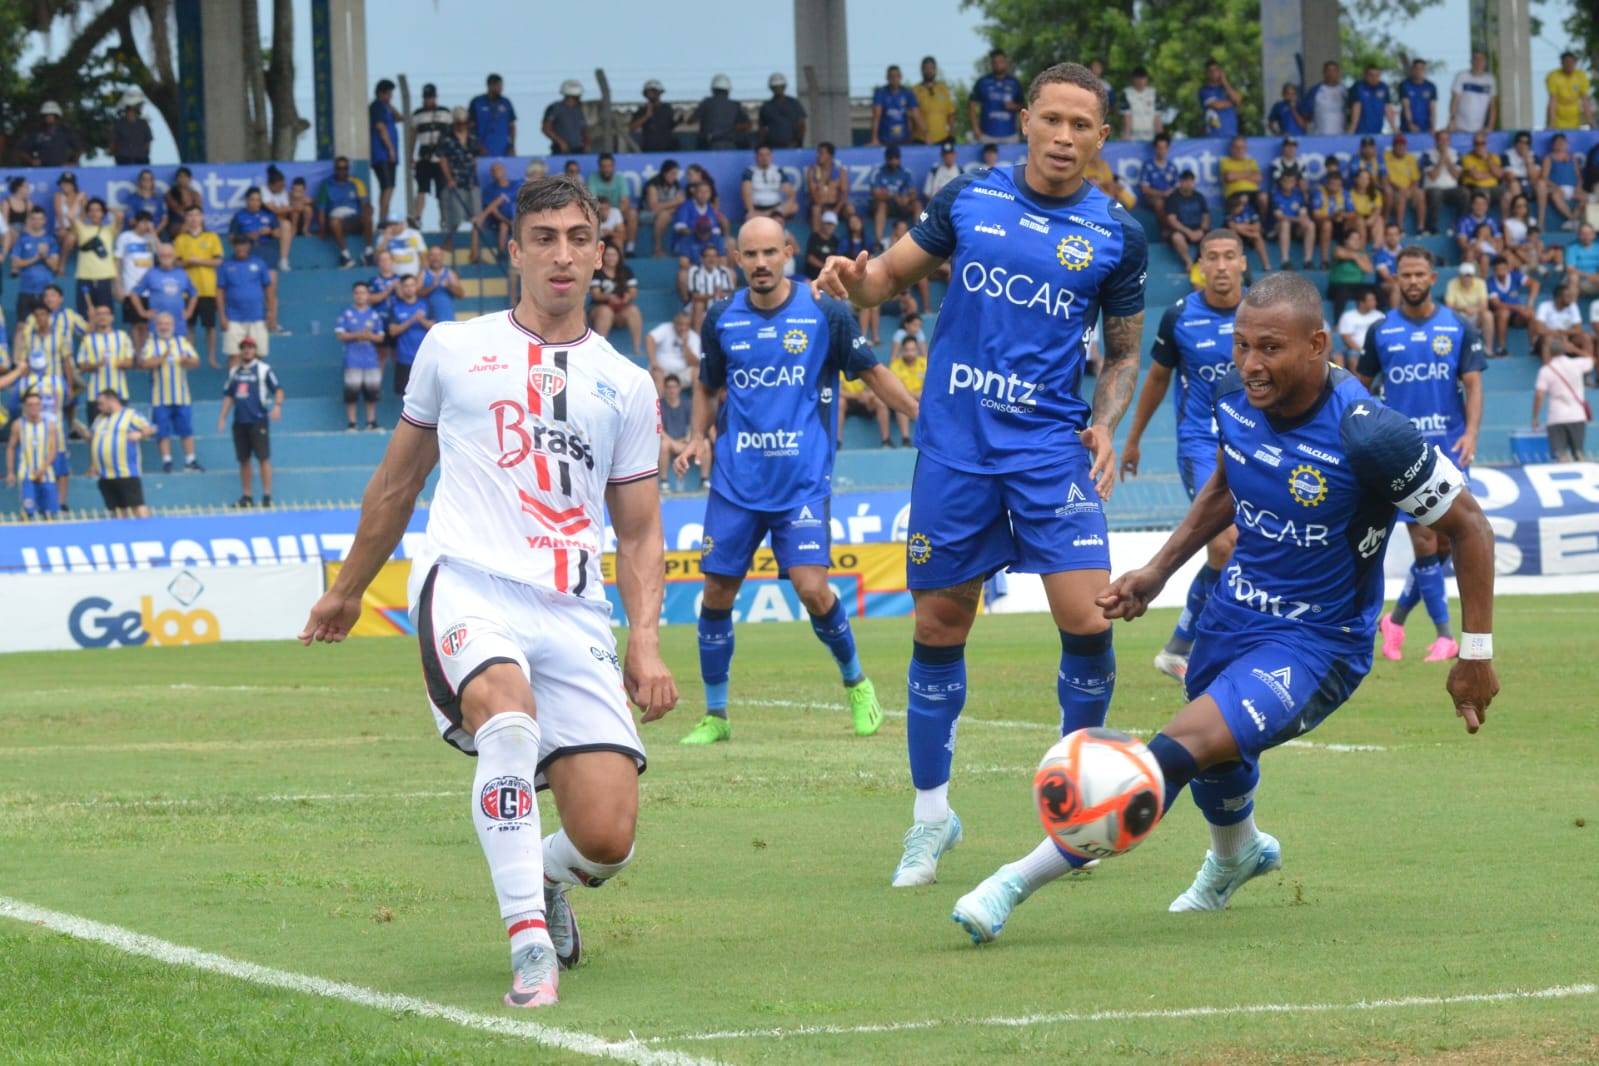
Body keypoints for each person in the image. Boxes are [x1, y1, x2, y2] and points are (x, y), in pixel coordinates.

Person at [299, 175, 678, 1011]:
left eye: (579, 237)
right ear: (513, 252)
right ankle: (528, 948)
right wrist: (347, 590)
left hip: (573, 608)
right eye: (543, 237)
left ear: (600, 253)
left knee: (607, 839)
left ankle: (546, 881)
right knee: (506, 719)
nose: (562, 253)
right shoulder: (452, 348)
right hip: (468, 581)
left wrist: (645, 640)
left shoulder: (627, 383)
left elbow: (641, 529)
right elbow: (397, 485)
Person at [1069, 273, 1498, 939]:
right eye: (1240, 346)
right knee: (1213, 742)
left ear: (1316, 345)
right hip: (1235, 615)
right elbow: (1223, 485)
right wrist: (1155, 570)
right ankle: (1235, 854)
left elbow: (1470, 525)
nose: (1248, 363)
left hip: (1316, 638)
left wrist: (1475, 651)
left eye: (1267, 347)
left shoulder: (1366, 430)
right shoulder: (1233, 400)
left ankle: (1024, 875)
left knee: (1196, 739)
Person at [815, 62, 1148, 896]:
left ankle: (1076, 808)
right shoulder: (967, 199)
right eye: (1052, 120)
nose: (1064, 137)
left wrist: (1103, 421)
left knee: (1088, 617)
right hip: (956, 445)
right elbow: (886, 278)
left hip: (1045, 450)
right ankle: (931, 817)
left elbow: (1122, 350)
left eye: (1082, 124)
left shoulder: (1115, 234)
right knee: (937, 625)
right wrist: (852, 282)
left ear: (1100, 137)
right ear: (1025, 120)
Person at [673, 216, 915, 746]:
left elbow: (871, 371)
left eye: (769, 253)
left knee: (811, 588)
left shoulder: (825, 311)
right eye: (750, 255)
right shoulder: (721, 318)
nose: (760, 263)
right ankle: (715, 715)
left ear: (787, 252)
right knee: (716, 592)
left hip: (801, 480)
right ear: (738, 260)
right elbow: (707, 385)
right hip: (737, 481)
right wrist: (696, 437)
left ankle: (856, 683)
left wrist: (920, 413)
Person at [1120, 230, 1244, 683]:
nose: (1223, 265)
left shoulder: (1261, 312)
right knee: (1224, 541)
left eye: (1231, 256)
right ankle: (1199, 645)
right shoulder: (1180, 316)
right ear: (1201, 266)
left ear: (1243, 264)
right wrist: (1132, 440)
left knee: (1241, 549)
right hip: (1201, 443)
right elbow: (1156, 380)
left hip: (1254, 443)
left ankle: (1181, 645)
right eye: (1213, 257)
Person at [1356, 248, 1485, 664]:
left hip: (1449, 446)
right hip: (1401, 451)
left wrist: (1470, 432)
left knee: (1447, 543)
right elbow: (1358, 388)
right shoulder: (1380, 331)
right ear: (1395, 279)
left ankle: (1394, 620)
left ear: (1432, 277)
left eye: (1419, 274)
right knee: (1425, 539)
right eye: (1404, 275)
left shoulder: (1458, 326)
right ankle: (1446, 635)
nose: (1411, 281)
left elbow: (1473, 384)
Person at [218, 337, 283, 508]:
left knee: (263, 458)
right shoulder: (234, 371)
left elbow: (278, 389)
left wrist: (277, 406)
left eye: (250, 347)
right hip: (240, 421)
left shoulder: (263, 369)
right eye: (244, 347)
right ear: (240, 350)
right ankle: (247, 496)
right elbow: (229, 395)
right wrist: (223, 417)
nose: (247, 350)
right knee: (243, 459)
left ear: (255, 350)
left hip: (258, 420)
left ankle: (267, 495)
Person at [139, 311, 202, 473]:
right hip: (160, 397)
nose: (164, 326)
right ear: (156, 326)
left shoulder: (182, 342)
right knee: (162, 431)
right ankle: (167, 461)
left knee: (186, 429)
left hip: (182, 396)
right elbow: (144, 364)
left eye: (167, 324)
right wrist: (162, 357)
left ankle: (190, 460)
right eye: (161, 323)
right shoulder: (151, 343)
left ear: (173, 326)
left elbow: (196, 362)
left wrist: (186, 360)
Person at [88, 389, 152, 517]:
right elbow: (94, 440)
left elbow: (150, 429)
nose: (99, 407)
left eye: (101, 403)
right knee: (116, 509)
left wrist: (140, 434)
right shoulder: (99, 419)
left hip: (126, 472)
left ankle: (147, 531)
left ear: (112, 400)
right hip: (105, 474)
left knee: (137, 505)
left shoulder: (130, 415)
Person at [173, 205, 223, 368]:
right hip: (187, 291)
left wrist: (199, 261)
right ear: (186, 219)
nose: (194, 219)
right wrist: (188, 262)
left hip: (208, 289)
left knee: (210, 326)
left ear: (202, 217)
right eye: (190, 215)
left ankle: (211, 358)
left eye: (197, 215)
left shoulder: (211, 237)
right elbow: (175, 263)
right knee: (189, 326)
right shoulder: (180, 239)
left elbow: (218, 261)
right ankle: (191, 357)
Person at [218, 234, 276, 367]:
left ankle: (256, 385)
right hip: (233, 317)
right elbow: (220, 291)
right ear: (233, 246)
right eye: (238, 245)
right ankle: (233, 385)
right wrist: (222, 316)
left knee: (259, 353)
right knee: (234, 354)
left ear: (249, 246)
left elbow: (268, 288)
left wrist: (271, 311)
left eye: (244, 245)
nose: (241, 248)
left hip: (257, 316)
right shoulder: (226, 265)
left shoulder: (259, 263)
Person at [1533, 337, 1594, 461]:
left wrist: (1535, 417)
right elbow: (1592, 359)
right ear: (1564, 350)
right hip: (1577, 415)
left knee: (1560, 454)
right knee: (1578, 453)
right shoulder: (1577, 364)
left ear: (1550, 352)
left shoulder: (1546, 370)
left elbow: (1539, 395)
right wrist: (1575, 349)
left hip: (1556, 416)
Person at [335, 282, 386, 430]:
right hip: (353, 359)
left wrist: (368, 336)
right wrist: (357, 334)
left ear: (368, 295)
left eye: (363, 292)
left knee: (372, 393)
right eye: (357, 292)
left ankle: (371, 422)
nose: (360, 295)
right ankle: (352, 423)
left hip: (371, 360)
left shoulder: (374, 315)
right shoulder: (346, 314)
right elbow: (339, 334)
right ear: (353, 295)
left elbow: (381, 337)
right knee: (351, 393)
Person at [6, 390, 60, 518]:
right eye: (30, 404)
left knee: (49, 513)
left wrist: (42, 468)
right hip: (26, 475)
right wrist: (10, 472)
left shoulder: (50, 425)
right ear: (24, 407)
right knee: (27, 512)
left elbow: (53, 450)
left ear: (41, 406)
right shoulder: (18, 425)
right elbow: (11, 448)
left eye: (36, 404)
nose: (33, 407)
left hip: (47, 474)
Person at [435, 110, 481, 259]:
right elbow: (442, 159)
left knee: (477, 218)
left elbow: (476, 156)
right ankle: (447, 245)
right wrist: (449, 178)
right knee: (456, 218)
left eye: (464, 122)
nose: (462, 125)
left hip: (472, 181)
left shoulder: (473, 136)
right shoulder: (446, 138)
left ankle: (475, 252)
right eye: (459, 122)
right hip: (456, 181)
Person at [315, 156, 375, 268]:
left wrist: (368, 210)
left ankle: (368, 252)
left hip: (353, 219)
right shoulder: (326, 185)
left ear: (348, 169)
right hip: (336, 220)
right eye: (339, 168)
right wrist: (322, 229)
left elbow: (365, 203)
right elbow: (321, 209)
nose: (342, 171)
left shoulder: (357, 183)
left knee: (367, 217)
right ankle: (345, 256)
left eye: (345, 168)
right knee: (334, 222)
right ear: (335, 169)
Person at [132, 244, 199, 342]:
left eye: (169, 255)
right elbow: (134, 293)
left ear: (174, 257)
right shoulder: (151, 273)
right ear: (158, 257)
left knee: (179, 354)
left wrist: (189, 311)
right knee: (157, 354)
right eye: (163, 256)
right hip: (157, 325)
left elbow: (194, 293)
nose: (166, 258)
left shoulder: (182, 274)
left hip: (178, 323)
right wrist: (142, 312)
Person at [76, 303, 137, 408]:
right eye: (99, 314)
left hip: (119, 393)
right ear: (94, 318)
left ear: (112, 317)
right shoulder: (88, 339)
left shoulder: (122, 336)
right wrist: (96, 364)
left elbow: (130, 362)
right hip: (95, 395)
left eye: (106, 314)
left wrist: (117, 362)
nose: (103, 317)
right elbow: (81, 365)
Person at [114, 210, 157, 352]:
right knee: (135, 324)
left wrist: (153, 235)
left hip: (149, 290)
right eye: (143, 222)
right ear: (136, 222)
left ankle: (144, 354)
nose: (146, 226)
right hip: (131, 288)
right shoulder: (125, 237)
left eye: (149, 223)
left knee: (146, 324)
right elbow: (117, 261)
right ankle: (137, 355)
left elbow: (162, 252)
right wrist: (118, 285)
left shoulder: (151, 239)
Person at [410, 83, 453, 224]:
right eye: (426, 98)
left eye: (431, 97)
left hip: (440, 157)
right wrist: (411, 156)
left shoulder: (445, 113)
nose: (429, 100)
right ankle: (417, 218)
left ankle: (444, 218)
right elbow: (413, 136)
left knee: (442, 190)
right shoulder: (417, 114)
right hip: (424, 156)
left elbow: (450, 135)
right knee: (421, 189)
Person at [70, 197, 119, 320]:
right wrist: (78, 199)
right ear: (87, 213)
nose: (94, 213)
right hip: (84, 278)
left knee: (106, 315)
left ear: (103, 213)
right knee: (84, 316)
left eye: (98, 210)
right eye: (91, 210)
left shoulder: (109, 230)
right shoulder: (82, 228)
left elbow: (120, 216)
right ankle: (87, 340)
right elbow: (70, 216)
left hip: (104, 278)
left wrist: (107, 209)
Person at [10, 207, 60, 324]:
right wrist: (36, 257)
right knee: (21, 326)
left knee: (47, 325)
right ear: (30, 220)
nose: (37, 221)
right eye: (34, 219)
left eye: (40, 219)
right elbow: (16, 263)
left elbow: (54, 266)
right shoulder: (22, 239)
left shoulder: (50, 239)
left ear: (45, 220)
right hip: (26, 290)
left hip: (46, 292)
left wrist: (45, 256)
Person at [588, 243, 641, 353]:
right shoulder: (597, 271)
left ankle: (637, 348)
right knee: (605, 311)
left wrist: (628, 296)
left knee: (633, 310)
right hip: (599, 309)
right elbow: (595, 294)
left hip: (621, 308)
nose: (611, 258)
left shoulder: (626, 270)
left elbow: (633, 291)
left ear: (619, 256)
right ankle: (600, 350)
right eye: (608, 255)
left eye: (614, 255)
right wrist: (609, 297)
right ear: (602, 256)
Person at [385, 274, 432, 397]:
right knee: (405, 395)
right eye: (406, 286)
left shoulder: (426, 304)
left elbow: (434, 327)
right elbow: (392, 331)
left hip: (424, 358)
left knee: (427, 394)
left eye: (412, 285)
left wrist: (421, 320)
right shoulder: (396, 307)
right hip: (404, 358)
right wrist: (412, 320)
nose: (409, 288)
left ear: (416, 286)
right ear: (401, 288)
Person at [586, 153, 638, 256]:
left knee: (632, 213)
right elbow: (592, 201)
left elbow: (625, 201)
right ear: (599, 167)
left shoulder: (620, 179)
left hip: (617, 210)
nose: (606, 169)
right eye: (604, 166)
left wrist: (614, 215)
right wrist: (603, 213)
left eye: (609, 166)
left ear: (613, 166)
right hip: (599, 211)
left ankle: (630, 248)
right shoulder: (593, 178)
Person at [969, 49, 1024, 144]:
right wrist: (976, 129)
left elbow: (1023, 107)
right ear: (991, 64)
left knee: (1010, 159)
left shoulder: (1014, 83)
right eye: (995, 62)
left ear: (1006, 63)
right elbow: (971, 105)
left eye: (1001, 62)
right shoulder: (982, 82)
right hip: (987, 135)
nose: (998, 64)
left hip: (1010, 135)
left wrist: (1013, 106)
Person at [1486, 255, 1537, 356]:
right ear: (1494, 270)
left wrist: (1529, 304)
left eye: (1503, 268)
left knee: (1531, 313)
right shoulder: (1490, 282)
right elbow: (1496, 304)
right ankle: (1502, 348)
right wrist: (1518, 308)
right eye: (1498, 269)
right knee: (1503, 313)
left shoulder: (1515, 275)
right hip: (1499, 315)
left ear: (1508, 268)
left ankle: (1534, 347)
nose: (1501, 271)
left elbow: (1535, 284)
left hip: (1516, 316)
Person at [1538, 133, 1587, 232]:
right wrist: (1556, 187)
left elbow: (1579, 177)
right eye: (1558, 142)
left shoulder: (1573, 158)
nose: (1560, 144)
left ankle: (1573, 218)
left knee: (1587, 198)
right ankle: (1572, 219)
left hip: (1573, 189)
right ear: (1553, 145)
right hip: (1557, 188)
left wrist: (1578, 187)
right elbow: (1544, 177)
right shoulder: (1549, 158)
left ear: (1566, 144)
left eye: (1562, 142)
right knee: (1555, 195)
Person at [644, 308, 699, 396]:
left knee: (697, 373)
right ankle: (660, 408)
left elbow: (694, 363)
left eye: (686, 325)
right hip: (662, 371)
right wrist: (654, 362)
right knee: (657, 373)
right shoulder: (666, 328)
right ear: (674, 323)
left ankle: (697, 408)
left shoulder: (694, 337)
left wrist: (685, 346)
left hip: (682, 374)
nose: (683, 327)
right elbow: (650, 339)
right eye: (680, 324)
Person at [1532, 280, 1591, 362]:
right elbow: (1539, 329)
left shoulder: (1573, 306)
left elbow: (1578, 329)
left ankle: (1587, 369)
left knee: (1586, 337)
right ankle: (1548, 369)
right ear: (1559, 298)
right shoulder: (1544, 306)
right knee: (1548, 338)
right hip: (1548, 338)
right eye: (1568, 296)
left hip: (1566, 336)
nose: (1571, 298)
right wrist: (1559, 335)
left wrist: (1563, 334)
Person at [1270, 166, 1316, 270]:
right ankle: (1285, 260)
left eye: (1291, 181)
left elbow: (1303, 213)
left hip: (1296, 227)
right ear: (1280, 182)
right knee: (1285, 223)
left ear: (1295, 182)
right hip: (1278, 228)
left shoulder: (1299, 194)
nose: (1288, 184)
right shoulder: (1275, 194)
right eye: (1285, 181)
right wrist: (1298, 219)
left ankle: (1308, 260)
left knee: (1310, 224)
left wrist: (1302, 219)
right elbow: (1279, 216)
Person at [1421, 129, 1465, 235]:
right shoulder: (1427, 154)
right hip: (1433, 188)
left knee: (1465, 193)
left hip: (1451, 189)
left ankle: (1458, 225)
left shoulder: (1456, 154)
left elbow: (1456, 175)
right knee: (1436, 194)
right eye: (1441, 140)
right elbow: (1433, 176)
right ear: (1436, 141)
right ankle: (1431, 228)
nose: (1444, 142)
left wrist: (1448, 159)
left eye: (1446, 140)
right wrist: (1441, 158)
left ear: (1450, 141)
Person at [1445, 261, 1494, 354]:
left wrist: (1475, 310)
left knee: (1488, 315)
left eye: (1469, 275)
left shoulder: (1480, 283)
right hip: (1459, 316)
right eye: (1465, 276)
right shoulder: (1452, 283)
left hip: (1476, 316)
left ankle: (1489, 349)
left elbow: (1485, 305)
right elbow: (1449, 307)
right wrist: (1463, 309)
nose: (1467, 278)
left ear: (1473, 276)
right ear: (1460, 276)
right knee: (1450, 316)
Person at [369, 79, 401, 223]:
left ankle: (385, 216)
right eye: (388, 93)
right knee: (386, 186)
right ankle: (382, 218)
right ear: (381, 93)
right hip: (382, 154)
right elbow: (381, 128)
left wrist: (390, 105)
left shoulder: (386, 107)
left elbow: (401, 118)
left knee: (390, 186)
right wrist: (390, 150)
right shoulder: (377, 107)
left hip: (388, 155)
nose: (390, 96)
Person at [1164, 170, 1209, 267]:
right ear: (1180, 182)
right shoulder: (1173, 198)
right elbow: (1172, 220)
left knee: (1213, 237)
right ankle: (1188, 262)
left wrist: (1202, 230)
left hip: (1198, 230)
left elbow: (1206, 216)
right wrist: (1188, 232)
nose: (1188, 184)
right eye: (1185, 181)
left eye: (1191, 181)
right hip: (1182, 231)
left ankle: (1204, 264)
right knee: (1177, 237)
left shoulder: (1199, 197)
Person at [741, 145, 798, 220]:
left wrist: (788, 201)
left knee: (794, 207)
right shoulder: (749, 172)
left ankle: (771, 216)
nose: (764, 158)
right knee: (750, 216)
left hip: (776, 208)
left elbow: (791, 192)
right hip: (758, 209)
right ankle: (771, 217)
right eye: (761, 155)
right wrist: (751, 211)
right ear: (756, 157)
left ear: (771, 157)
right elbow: (746, 194)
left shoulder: (778, 171)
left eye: (767, 155)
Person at [260, 168, 301, 272]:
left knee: (286, 224)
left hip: (276, 224)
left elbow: (284, 213)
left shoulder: (283, 192)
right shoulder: (263, 190)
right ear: (271, 185)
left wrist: (286, 209)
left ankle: (283, 260)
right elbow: (275, 210)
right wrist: (290, 208)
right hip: (262, 223)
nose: (282, 188)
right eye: (279, 186)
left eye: (283, 185)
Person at [685, 245, 734, 331]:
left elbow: (730, 294)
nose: (712, 259)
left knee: (728, 304)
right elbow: (694, 296)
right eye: (708, 256)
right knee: (698, 305)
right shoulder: (695, 271)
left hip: (718, 306)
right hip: (698, 309)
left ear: (718, 258)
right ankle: (698, 339)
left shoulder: (724, 271)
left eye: (714, 256)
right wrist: (713, 295)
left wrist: (722, 295)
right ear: (702, 258)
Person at [644, 160, 686, 260]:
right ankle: (657, 249)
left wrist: (673, 206)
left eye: (676, 174)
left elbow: (681, 204)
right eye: (672, 173)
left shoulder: (676, 184)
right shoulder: (653, 184)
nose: (674, 176)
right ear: (664, 173)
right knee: (664, 215)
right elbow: (653, 207)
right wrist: (675, 202)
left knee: (669, 215)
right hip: (647, 213)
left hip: (669, 213)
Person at [870, 65, 921, 147]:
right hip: (885, 140)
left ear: (901, 77)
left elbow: (916, 115)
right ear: (887, 78)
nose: (894, 79)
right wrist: (874, 138)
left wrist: (926, 134)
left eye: (897, 76)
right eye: (891, 76)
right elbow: (876, 117)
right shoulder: (881, 93)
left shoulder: (907, 93)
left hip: (904, 140)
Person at [657, 373, 693, 491]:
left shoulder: (687, 403)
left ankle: (705, 481)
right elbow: (659, 429)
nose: (672, 390)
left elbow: (693, 426)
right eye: (669, 387)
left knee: (706, 445)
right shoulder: (659, 404)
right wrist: (674, 443)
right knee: (664, 445)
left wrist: (685, 440)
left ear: (679, 388)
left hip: (685, 443)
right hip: (668, 442)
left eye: (674, 386)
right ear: (664, 388)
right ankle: (664, 482)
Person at [889, 335, 927, 445]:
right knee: (901, 402)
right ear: (902, 351)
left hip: (923, 397)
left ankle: (929, 439)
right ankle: (905, 439)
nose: (910, 353)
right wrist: (913, 394)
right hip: (905, 397)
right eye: (907, 350)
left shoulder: (925, 363)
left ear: (917, 350)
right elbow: (895, 388)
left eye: (913, 350)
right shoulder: (895, 365)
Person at [1384, 133, 1424, 233]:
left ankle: (1421, 227)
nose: (1400, 147)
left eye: (1402, 145)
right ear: (1393, 146)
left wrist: (1411, 189)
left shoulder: (1411, 158)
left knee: (1420, 193)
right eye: (1398, 145)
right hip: (1393, 188)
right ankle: (1400, 227)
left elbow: (1415, 179)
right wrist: (1399, 188)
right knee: (1401, 195)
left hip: (1408, 188)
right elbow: (1385, 178)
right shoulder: (1386, 156)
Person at [1454, 191, 1502, 276]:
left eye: (1483, 204)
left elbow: (1499, 242)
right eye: (1477, 204)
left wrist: (1494, 248)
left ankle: (1483, 286)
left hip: (1490, 252)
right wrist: (1476, 248)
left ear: (1487, 206)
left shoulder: (1492, 221)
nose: (1480, 207)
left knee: (1488, 257)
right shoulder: (1464, 220)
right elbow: (1462, 243)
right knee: (1473, 254)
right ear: (1472, 205)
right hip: (1472, 252)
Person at [695, 74, 747, 150]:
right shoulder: (735, 105)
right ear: (728, 90)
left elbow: (691, 121)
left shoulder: (706, 103)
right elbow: (747, 125)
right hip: (729, 143)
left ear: (713, 90)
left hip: (709, 145)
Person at [469, 73, 517, 156]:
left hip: (503, 149)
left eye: (501, 86)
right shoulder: (477, 102)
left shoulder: (506, 103)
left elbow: (511, 126)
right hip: (482, 150)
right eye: (498, 86)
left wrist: (512, 146)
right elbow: (470, 126)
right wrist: (478, 145)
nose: (501, 88)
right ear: (490, 86)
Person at [806, 143, 851, 229]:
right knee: (816, 209)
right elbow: (813, 196)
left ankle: (852, 239)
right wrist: (821, 181)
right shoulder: (812, 171)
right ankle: (816, 240)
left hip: (836, 206)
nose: (818, 156)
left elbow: (844, 194)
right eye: (818, 153)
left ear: (830, 155)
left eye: (821, 153)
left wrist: (835, 211)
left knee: (850, 209)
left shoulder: (841, 171)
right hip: (820, 205)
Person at [1219, 136, 1266, 217]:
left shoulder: (1251, 162)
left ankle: (1263, 223)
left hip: (1253, 192)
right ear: (1231, 148)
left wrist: (1237, 175)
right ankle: (1236, 223)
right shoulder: (1225, 161)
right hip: (1234, 194)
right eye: (1236, 147)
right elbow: (1229, 177)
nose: (1240, 150)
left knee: (1263, 197)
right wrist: (1249, 173)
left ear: (1246, 149)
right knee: (1243, 198)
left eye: (1242, 147)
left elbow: (1259, 177)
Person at [1449, 52, 1497, 133]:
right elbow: (1454, 100)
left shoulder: (1490, 80)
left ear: (1485, 62)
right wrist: (1452, 120)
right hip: (1459, 127)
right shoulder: (1462, 76)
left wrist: (1491, 126)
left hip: (1479, 129)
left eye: (1481, 59)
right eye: (1475, 59)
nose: (1478, 62)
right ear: (1471, 62)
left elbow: (1493, 106)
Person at [1546, 51, 1595, 130]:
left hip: (1574, 120)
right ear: (1561, 63)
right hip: (1557, 120)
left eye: (1571, 62)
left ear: (1575, 63)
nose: (1569, 65)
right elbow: (1552, 100)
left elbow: (1585, 100)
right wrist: (1551, 122)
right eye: (1566, 62)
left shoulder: (1581, 76)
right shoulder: (1553, 76)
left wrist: (1590, 121)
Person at [1337, 288, 1385, 369]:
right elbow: (1347, 339)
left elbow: (1384, 334)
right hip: (1355, 350)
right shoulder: (1348, 316)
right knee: (1353, 356)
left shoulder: (1380, 315)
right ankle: (1358, 382)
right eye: (1371, 300)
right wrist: (1362, 351)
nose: (1375, 302)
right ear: (1362, 303)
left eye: (1374, 300)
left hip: (1376, 350)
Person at [419, 245, 464, 328]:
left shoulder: (450, 273)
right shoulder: (423, 274)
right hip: (429, 322)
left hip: (448, 321)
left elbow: (461, 295)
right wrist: (431, 287)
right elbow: (416, 294)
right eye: (432, 255)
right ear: (428, 257)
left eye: (438, 255)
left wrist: (449, 286)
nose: (435, 258)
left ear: (442, 256)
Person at [913, 57, 955, 145]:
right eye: (926, 68)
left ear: (935, 70)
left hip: (943, 139)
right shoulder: (914, 90)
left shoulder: (944, 89)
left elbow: (951, 114)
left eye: (931, 68)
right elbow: (911, 116)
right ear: (922, 70)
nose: (929, 71)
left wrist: (951, 133)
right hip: (921, 139)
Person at [758, 72, 807, 148]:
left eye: (780, 87)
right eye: (775, 87)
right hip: (772, 146)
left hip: (792, 145)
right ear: (771, 88)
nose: (778, 89)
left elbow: (802, 125)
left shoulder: (794, 103)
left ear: (784, 87)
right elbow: (762, 128)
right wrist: (763, 144)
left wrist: (798, 141)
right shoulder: (766, 106)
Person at [1139, 133, 1180, 224]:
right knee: (1159, 203)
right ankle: (1167, 229)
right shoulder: (1148, 165)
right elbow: (1144, 189)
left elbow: (1177, 187)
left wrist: (1170, 192)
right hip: (1153, 198)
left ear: (1168, 149)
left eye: (1164, 148)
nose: (1162, 151)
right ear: (1155, 148)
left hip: (1170, 197)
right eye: (1159, 148)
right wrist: (1162, 194)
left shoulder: (1172, 167)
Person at [26, 101, 80, 167]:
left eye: (51, 115)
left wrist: (72, 162)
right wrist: (32, 161)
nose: (48, 117)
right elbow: (21, 151)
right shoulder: (36, 133)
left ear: (57, 116)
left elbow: (79, 149)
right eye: (46, 115)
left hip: (62, 172)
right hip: (42, 171)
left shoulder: (65, 132)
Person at [630, 79, 678, 153]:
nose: (650, 94)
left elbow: (670, 126)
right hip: (649, 150)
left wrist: (679, 121)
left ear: (659, 93)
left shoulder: (667, 108)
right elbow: (632, 127)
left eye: (653, 91)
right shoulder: (642, 110)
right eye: (648, 92)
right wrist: (646, 116)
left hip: (667, 149)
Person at [1302, 61, 1348, 136]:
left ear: (1338, 73)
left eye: (1334, 70)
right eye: (1328, 70)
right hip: (1319, 136)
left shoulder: (1345, 91)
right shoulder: (1315, 90)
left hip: (1341, 136)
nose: (1331, 73)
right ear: (1323, 72)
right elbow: (1305, 114)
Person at [1197, 59, 1241, 137]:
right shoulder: (1205, 90)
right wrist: (1233, 102)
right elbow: (1217, 105)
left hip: (1232, 133)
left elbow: (1238, 100)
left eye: (1216, 70)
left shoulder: (1227, 88)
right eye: (1211, 71)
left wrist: (1225, 82)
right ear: (1206, 73)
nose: (1214, 73)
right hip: (1214, 134)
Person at [543, 80, 589, 154]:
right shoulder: (555, 108)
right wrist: (561, 142)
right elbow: (546, 128)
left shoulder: (579, 109)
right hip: (560, 149)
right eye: (575, 97)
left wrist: (587, 143)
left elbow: (584, 128)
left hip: (579, 149)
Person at [110, 88, 154, 165]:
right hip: (123, 159)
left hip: (141, 159)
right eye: (129, 110)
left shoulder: (143, 123)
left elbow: (148, 142)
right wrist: (117, 155)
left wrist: (143, 154)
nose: (131, 112)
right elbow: (114, 142)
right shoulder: (119, 124)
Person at [1348, 64, 1392, 135]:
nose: (1374, 78)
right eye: (1371, 75)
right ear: (1365, 75)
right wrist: (1351, 130)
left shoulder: (1383, 87)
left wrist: (1394, 128)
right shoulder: (1358, 87)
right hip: (1360, 131)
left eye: (1377, 75)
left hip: (1377, 130)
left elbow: (1388, 109)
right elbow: (1356, 108)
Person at [1119, 67, 1160, 141]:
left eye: (1143, 78)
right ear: (1133, 79)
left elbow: (1157, 117)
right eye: (1137, 78)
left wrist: (1160, 137)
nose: (1140, 81)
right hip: (1132, 136)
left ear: (1147, 79)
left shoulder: (1154, 93)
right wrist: (1126, 136)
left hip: (1151, 136)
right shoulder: (1126, 93)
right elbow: (1126, 117)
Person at [1398, 59, 1438, 133]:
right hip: (1408, 128)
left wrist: (1433, 127)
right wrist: (1410, 124)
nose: (1419, 71)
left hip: (1426, 127)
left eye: (1422, 69)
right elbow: (1406, 106)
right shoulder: (1404, 85)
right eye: (1416, 68)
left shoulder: (1431, 86)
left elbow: (1433, 108)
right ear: (1412, 69)